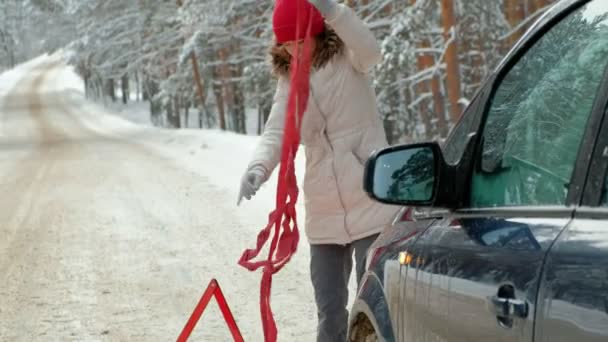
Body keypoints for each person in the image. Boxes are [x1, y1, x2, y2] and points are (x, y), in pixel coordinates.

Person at [238, 0, 398, 340]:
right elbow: (277, 130)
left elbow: (372, 50)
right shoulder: (288, 80)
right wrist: (258, 167)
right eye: (287, 45)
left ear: (318, 32)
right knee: (329, 311)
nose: (295, 50)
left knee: (371, 307)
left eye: (300, 41)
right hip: (323, 209)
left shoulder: (349, 58)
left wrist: (334, 11)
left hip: (369, 201)